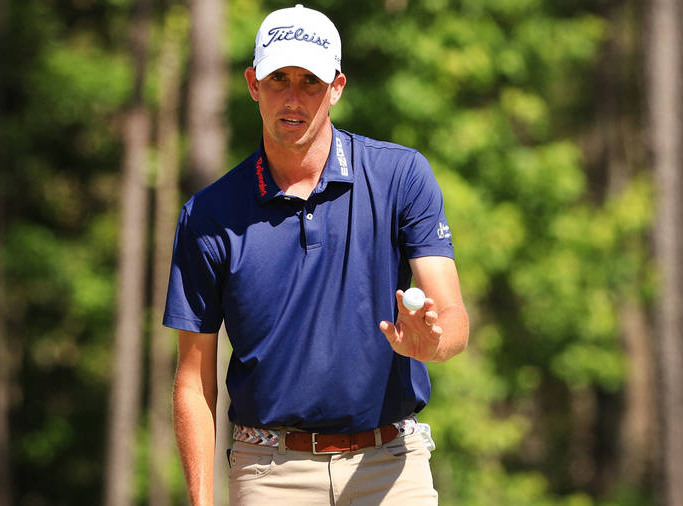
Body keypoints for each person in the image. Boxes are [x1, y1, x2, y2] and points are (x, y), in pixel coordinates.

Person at [164, 4, 469, 505]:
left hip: (391, 464)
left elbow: (453, 318)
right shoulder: (208, 215)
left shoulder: (401, 176)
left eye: (310, 81)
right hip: (269, 472)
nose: (293, 98)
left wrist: (431, 344)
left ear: (337, 87)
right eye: (278, 79)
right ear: (253, 84)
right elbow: (195, 381)